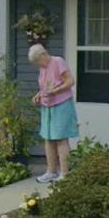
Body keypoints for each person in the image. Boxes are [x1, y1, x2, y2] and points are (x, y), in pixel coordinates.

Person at [29, 44, 78, 184]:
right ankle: (51, 172)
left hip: (61, 104)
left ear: (43, 55)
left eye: (37, 61)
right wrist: (38, 95)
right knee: (48, 139)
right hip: (47, 106)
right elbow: (45, 87)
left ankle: (64, 173)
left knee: (61, 139)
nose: (38, 64)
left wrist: (55, 92)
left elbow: (70, 81)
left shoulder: (58, 61)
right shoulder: (43, 67)